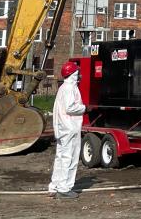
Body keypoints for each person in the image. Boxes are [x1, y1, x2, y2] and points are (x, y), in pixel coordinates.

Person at [48, 60, 87, 199]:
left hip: (62, 128)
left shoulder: (63, 88)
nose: (80, 74)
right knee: (69, 157)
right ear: (73, 74)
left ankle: (55, 185)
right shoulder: (70, 88)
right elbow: (70, 108)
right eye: (78, 72)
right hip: (70, 127)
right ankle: (64, 188)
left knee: (60, 157)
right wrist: (85, 108)